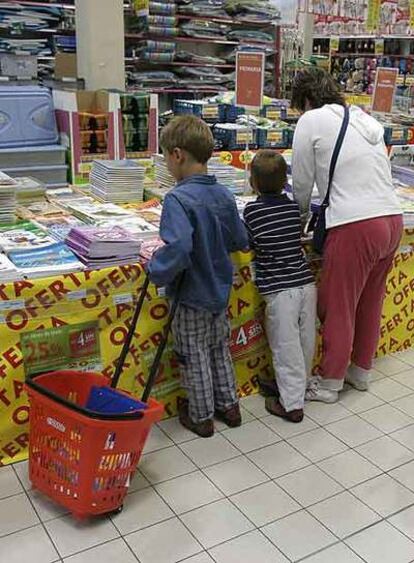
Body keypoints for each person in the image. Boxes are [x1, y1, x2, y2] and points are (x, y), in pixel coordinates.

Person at [291, 67, 403, 403]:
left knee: (338, 304)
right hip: (392, 219)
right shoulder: (363, 119)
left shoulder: (310, 121)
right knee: (370, 301)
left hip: (355, 224)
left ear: (307, 100)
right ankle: (360, 371)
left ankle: (329, 382)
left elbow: (301, 182)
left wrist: (299, 218)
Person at [148, 115, 249, 437]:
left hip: (191, 293)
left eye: (165, 156)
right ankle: (229, 406)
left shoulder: (177, 198)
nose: (166, 163)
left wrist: (156, 270)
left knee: (193, 354)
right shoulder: (223, 194)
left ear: (177, 155)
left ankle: (202, 415)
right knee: (219, 348)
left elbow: (177, 248)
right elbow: (239, 239)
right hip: (220, 290)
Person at [243, 150, 316, 422]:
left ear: (254, 183)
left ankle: (291, 405)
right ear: (285, 180)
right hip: (306, 283)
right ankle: (297, 387)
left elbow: (247, 241)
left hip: (280, 289)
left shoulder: (252, 211)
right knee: (305, 341)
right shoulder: (293, 207)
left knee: (285, 347)